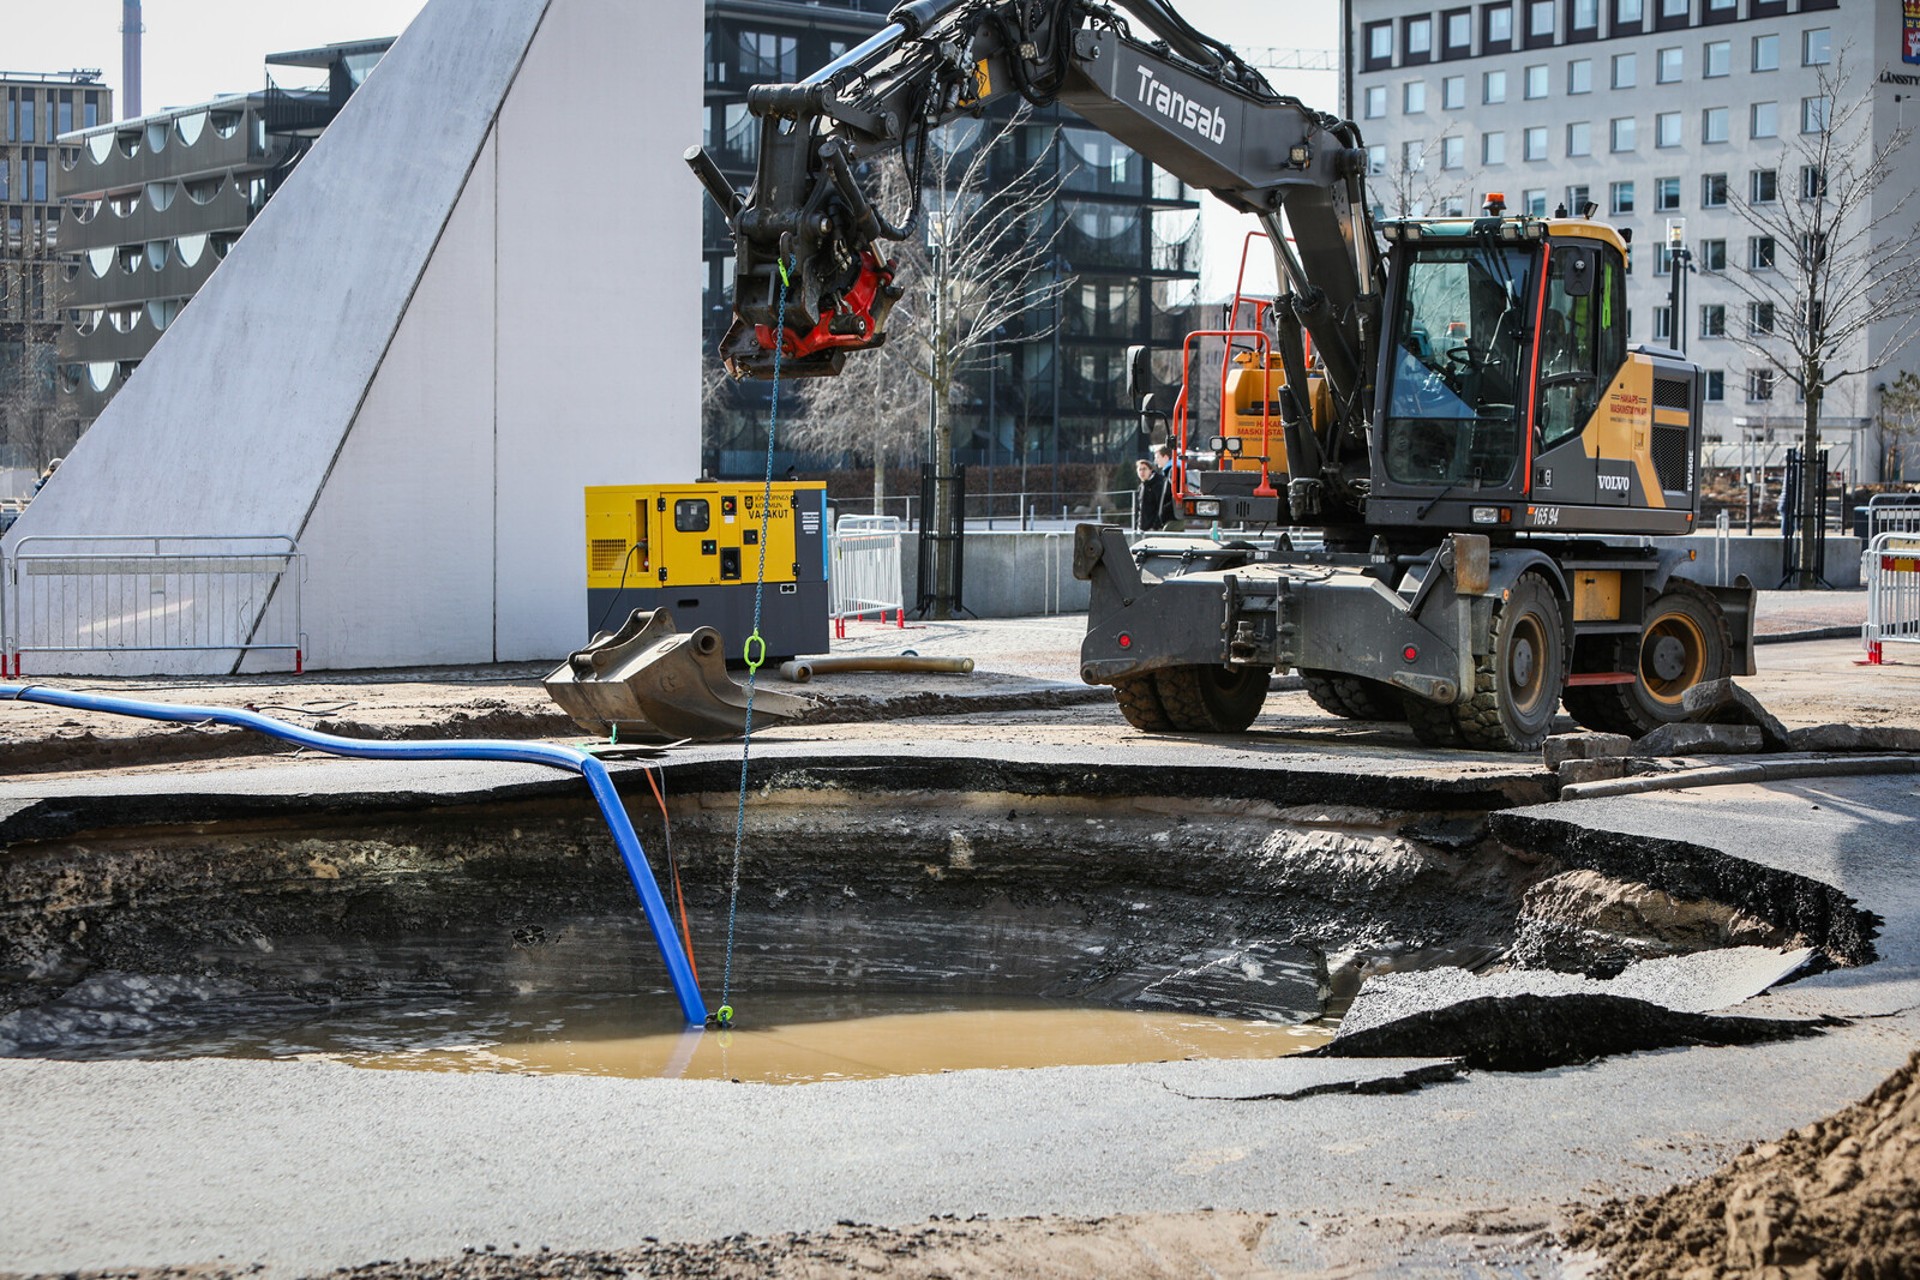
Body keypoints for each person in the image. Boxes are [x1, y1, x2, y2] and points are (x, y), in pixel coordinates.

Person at [1133, 458, 1173, 532]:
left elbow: (1161, 507)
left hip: (1154, 528)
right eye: (1140, 469)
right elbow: (1139, 509)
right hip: (1142, 528)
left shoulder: (1158, 484)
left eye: (1144, 469)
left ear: (1150, 470)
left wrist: (1155, 526)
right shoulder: (1142, 486)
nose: (1142, 472)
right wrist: (1138, 526)